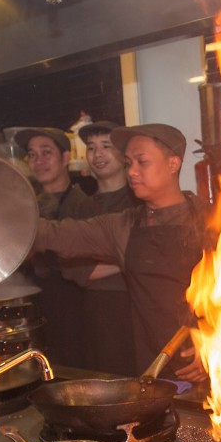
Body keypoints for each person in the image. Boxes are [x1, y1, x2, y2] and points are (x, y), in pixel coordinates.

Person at [33, 124, 208, 381]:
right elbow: (55, 233)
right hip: (152, 372)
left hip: (214, 370)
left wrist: (215, 343)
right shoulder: (123, 226)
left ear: (173, 164)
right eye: (128, 163)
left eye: (142, 161)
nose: (132, 172)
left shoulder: (214, 218)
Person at [15, 126, 91, 369]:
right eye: (32, 154)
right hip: (36, 311)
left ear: (66, 158)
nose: (39, 161)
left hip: (75, 314)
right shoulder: (24, 207)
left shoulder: (83, 206)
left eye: (46, 152)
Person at [70, 120, 138, 376]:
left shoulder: (138, 200)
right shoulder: (81, 208)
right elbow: (78, 272)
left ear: (123, 154)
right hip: (98, 313)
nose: (97, 154)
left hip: (136, 306)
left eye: (106, 146)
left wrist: (111, 259)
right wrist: (126, 258)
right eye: (91, 147)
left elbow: (148, 255)